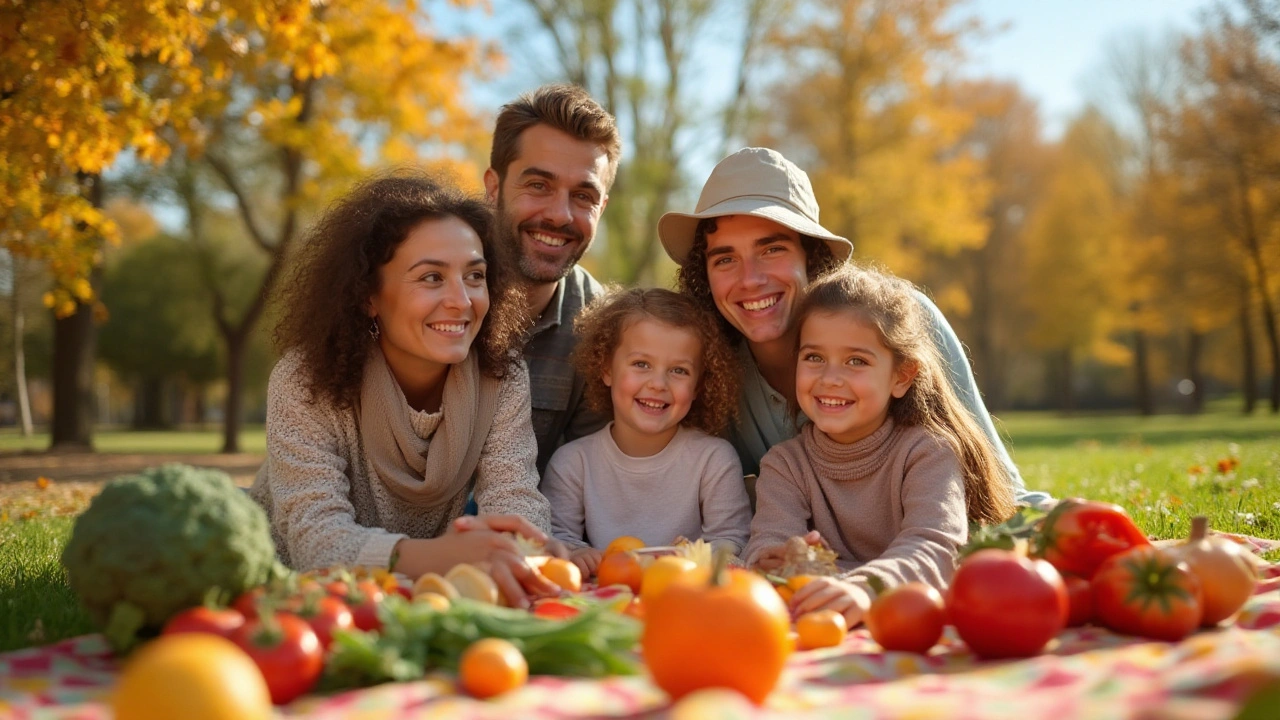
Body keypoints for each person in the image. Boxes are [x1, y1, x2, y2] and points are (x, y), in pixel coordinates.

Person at [659, 147, 1052, 507]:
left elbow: (1000, 492)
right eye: (725, 260)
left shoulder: (903, 322)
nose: (750, 280)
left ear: (811, 258)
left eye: (771, 249)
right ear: (704, 275)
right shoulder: (705, 370)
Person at [250, 172, 561, 608]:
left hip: (417, 599)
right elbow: (316, 543)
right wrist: (440, 556)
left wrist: (521, 550)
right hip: (292, 603)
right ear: (368, 296)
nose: (461, 300)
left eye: (475, 276)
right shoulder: (305, 379)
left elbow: (516, 501)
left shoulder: (501, 377)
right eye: (431, 278)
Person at [744, 265, 1018, 626]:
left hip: (913, 620)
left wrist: (863, 587)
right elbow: (768, 543)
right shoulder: (785, 465)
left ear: (901, 376)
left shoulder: (928, 452)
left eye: (856, 361)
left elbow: (935, 548)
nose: (829, 378)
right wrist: (773, 559)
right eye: (814, 357)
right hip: (828, 626)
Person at [540, 288, 752, 576]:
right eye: (641, 364)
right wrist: (578, 554)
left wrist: (682, 559)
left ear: (699, 386)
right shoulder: (573, 464)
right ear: (606, 369)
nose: (658, 384)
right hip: (605, 601)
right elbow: (555, 538)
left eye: (679, 371)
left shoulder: (713, 460)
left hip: (685, 596)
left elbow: (732, 541)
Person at [484, 83, 620, 472]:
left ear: (602, 207)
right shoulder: (425, 287)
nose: (560, 215)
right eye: (539, 185)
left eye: (583, 196)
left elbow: (590, 485)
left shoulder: (601, 330)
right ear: (494, 188)